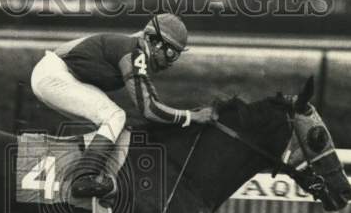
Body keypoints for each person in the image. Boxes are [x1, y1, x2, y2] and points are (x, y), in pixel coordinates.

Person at [29, 13, 215, 199]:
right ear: (155, 42)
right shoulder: (134, 53)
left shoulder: (135, 48)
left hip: (56, 74)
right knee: (115, 117)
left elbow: (152, 102)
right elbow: (149, 110)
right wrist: (191, 116)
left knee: (115, 125)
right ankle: (84, 178)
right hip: (53, 75)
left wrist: (184, 116)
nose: (170, 63)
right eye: (171, 54)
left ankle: (91, 173)